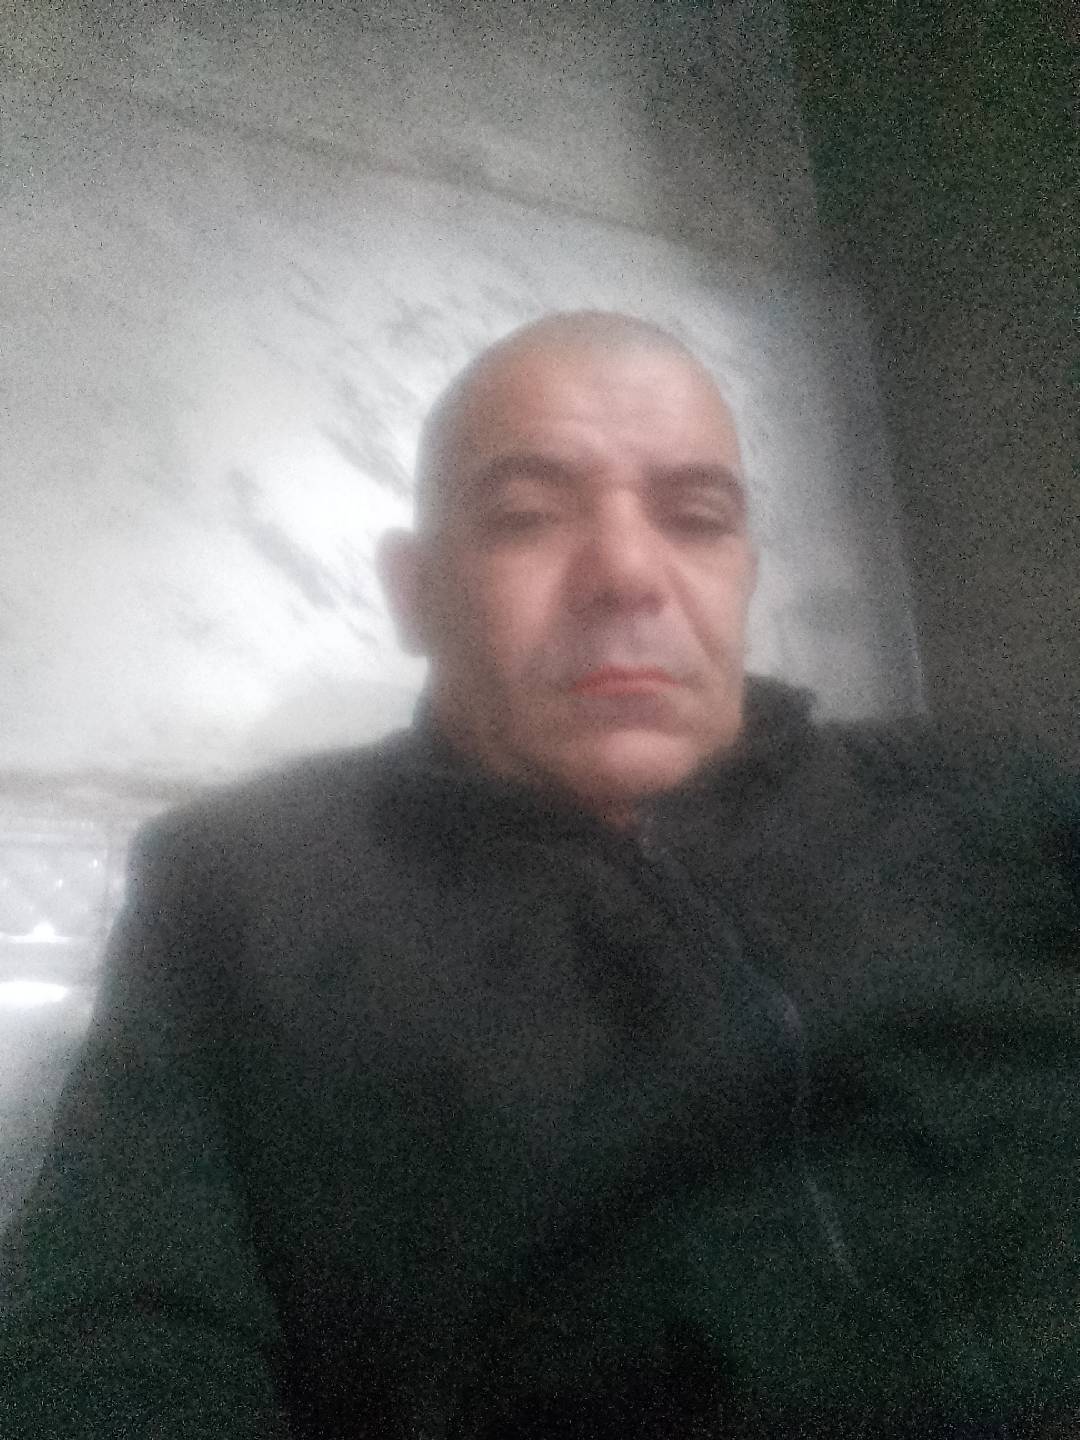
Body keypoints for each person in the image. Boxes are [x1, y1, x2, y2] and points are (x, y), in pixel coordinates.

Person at [0, 311, 1076, 1439]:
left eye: (696, 519)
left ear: (744, 575)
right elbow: (118, 1327)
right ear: (417, 591)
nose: (628, 573)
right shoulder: (240, 884)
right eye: (524, 517)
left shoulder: (981, 793)